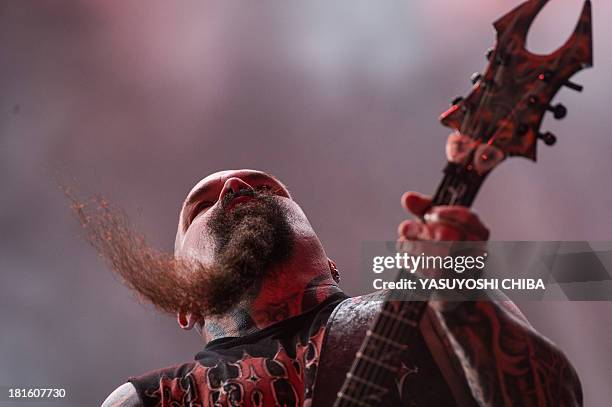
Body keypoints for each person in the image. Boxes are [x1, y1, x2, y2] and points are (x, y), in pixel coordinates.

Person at [89, 169, 581, 406]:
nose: (236, 186)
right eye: (202, 205)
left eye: (265, 189)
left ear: (331, 263)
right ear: (183, 300)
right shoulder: (150, 400)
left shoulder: (429, 307)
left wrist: (463, 300)